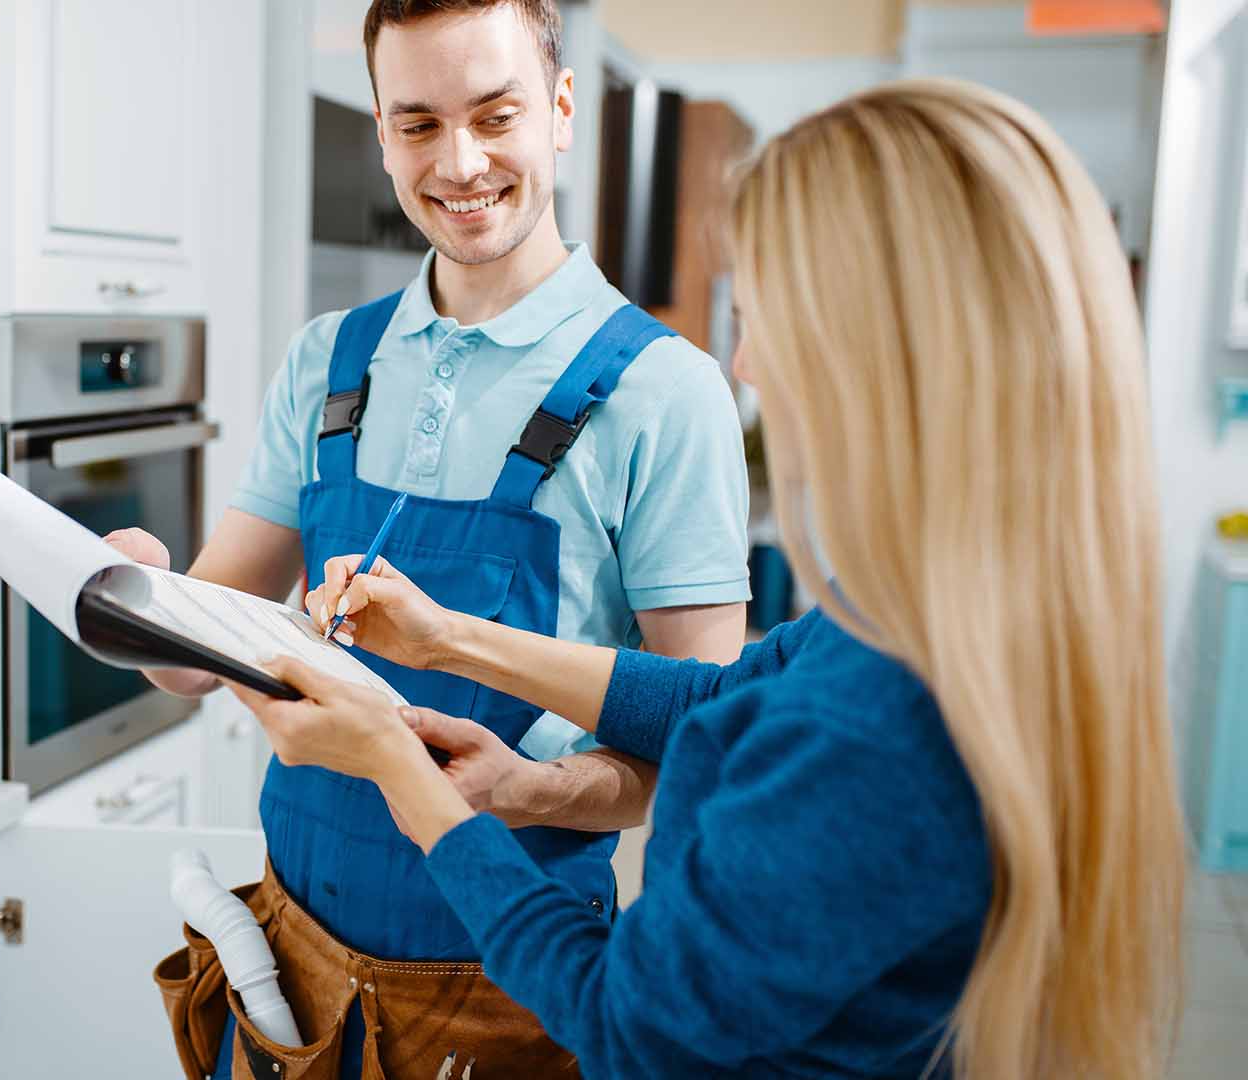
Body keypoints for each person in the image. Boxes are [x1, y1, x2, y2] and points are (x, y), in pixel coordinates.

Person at [231, 79, 1187, 1078]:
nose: (750, 359)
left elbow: (626, 1024)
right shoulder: (946, 624)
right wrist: (448, 639)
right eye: (417, 122)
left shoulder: (869, 731)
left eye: (771, 314)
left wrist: (398, 767)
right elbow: (719, 696)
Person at [128, 2, 753, 1076]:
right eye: (417, 125)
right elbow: (196, 655)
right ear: (381, 132)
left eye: (493, 115)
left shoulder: (667, 394)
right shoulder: (330, 361)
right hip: (288, 956)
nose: (459, 163)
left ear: (559, 110)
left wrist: (523, 790)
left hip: (507, 986)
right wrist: (136, 605)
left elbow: (708, 748)